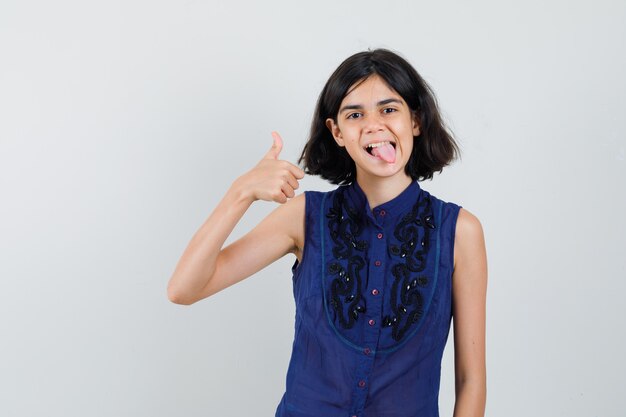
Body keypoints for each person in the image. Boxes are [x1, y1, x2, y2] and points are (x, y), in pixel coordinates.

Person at [167, 49, 487, 417]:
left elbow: (470, 381)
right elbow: (184, 289)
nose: (374, 125)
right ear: (336, 132)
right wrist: (241, 192)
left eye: (388, 109)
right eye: (355, 115)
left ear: (414, 120)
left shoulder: (460, 231)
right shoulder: (304, 217)